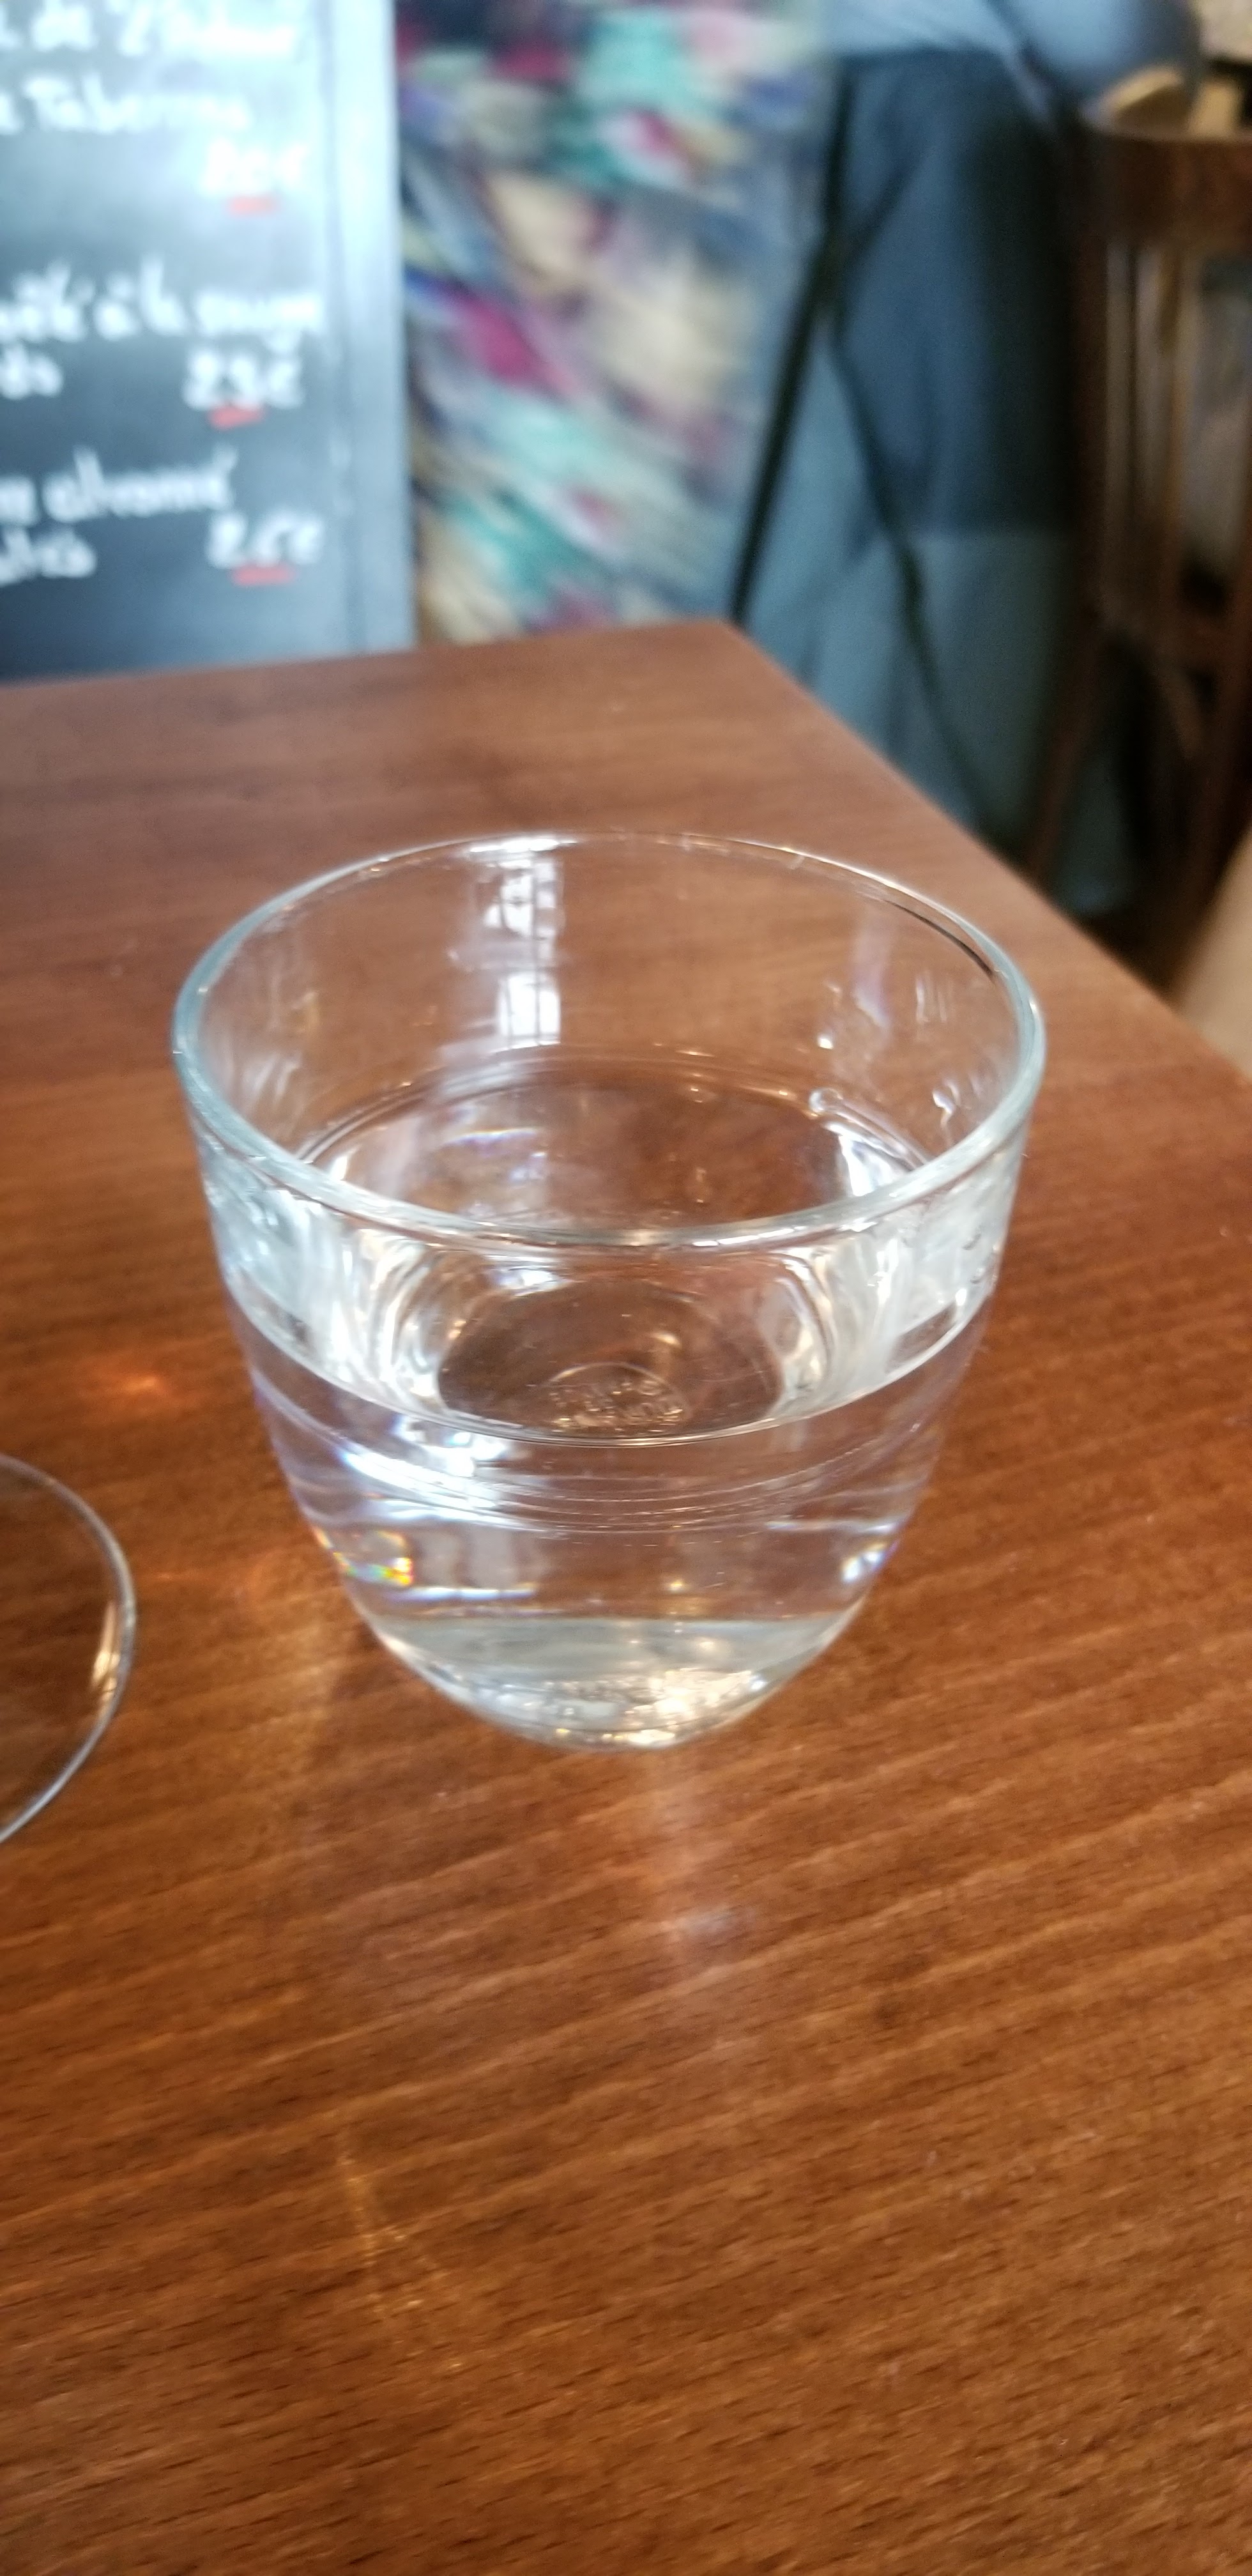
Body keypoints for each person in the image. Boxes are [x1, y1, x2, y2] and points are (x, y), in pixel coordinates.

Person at [740, 1, 1205, 917]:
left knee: (837, 536)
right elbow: (1122, 42)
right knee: (979, 534)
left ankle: (847, 858)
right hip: (936, 172)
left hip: (749, 165)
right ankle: (973, 876)